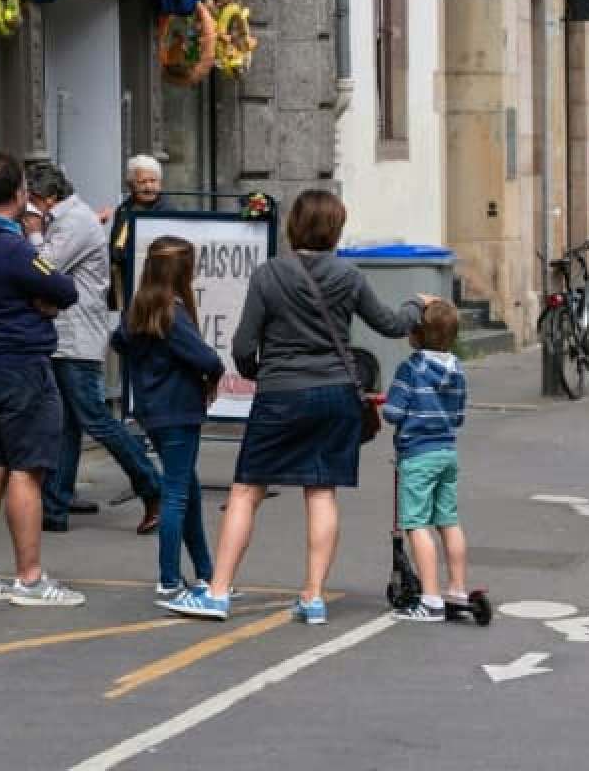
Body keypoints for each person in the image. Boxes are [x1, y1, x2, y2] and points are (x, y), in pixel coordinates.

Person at [161, 189, 428, 624]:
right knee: (320, 491)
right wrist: (417, 305)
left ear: (294, 226)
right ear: (336, 229)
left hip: (280, 393)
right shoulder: (349, 276)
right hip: (337, 393)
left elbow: (243, 345)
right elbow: (392, 324)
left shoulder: (268, 275)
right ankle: (314, 596)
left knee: (246, 490)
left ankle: (218, 592)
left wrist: (260, 373)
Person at [0, 152, 85, 607]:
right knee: (28, 470)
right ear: (20, 194)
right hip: (22, 366)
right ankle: (30, 579)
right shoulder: (13, 248)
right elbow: (63, 289)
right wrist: (39, 300)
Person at [26, 163, 162, 535]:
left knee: (95, 419)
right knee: (66, 423)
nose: (28, 207)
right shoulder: (67, 219)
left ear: (48, 197)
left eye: (32, 198)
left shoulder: (75, 222)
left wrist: (34, 234)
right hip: (65, 338)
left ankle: (153, 486)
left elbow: (44, 268)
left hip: (77, 339)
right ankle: (55, 506)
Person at [111, 236, 224, 598]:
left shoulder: (139, 310)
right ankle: (170, 579)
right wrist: (212, 376)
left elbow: (118, 341)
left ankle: (206, 574)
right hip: (179, 410)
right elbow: (208, 360)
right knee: (176, 495)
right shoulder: (172, 313)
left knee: (187, 489)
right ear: (181, 272)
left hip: (152, 411)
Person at [382, 300, 468, 622]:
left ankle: (430, 599)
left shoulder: (411, 369)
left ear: (415, 334)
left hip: (417, 455)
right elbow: (458, 417)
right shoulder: (457, 369)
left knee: (416, 524)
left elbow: (393, 413)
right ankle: (457, 588)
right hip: (447, 452)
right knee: (448, 521)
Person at [107, 155, 168, 310]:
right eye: (142, 182)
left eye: (153, 181)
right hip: (124, 287)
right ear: (130, 185)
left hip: (151, 288)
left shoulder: (167, 212)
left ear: (160, 183)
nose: (149, 187)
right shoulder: (124, 209)